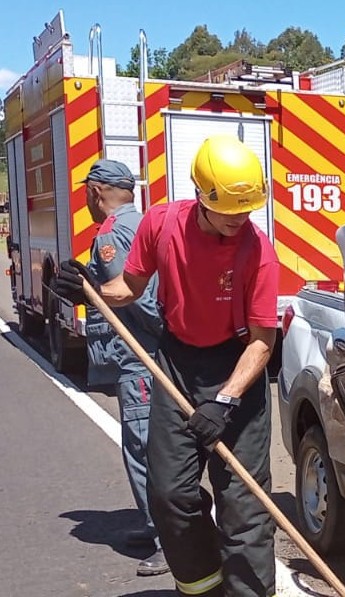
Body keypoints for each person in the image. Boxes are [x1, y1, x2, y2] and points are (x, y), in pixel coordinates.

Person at [56, 135, 280, 596]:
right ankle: (203, 585)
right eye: (229, 209)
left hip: (237, 367)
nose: (239, 218)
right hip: (177, 363)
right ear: (200, 194)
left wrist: (224, 401)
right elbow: (130, 288)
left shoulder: (258, 251)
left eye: (246, 209)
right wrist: (90, 290)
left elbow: (262, 342)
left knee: (244, 506)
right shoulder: (160, 224)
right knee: (169, 494)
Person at [80, 159, 169, 577]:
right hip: (147, 355)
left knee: (143, 450)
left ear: (96, 191)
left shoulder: (112, 234)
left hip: (140, 359)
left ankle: (168, 539)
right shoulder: (142, 222)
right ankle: (158, 526)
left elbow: (137, 298)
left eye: (86, 192)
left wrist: (161, 341)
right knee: (150, 447)